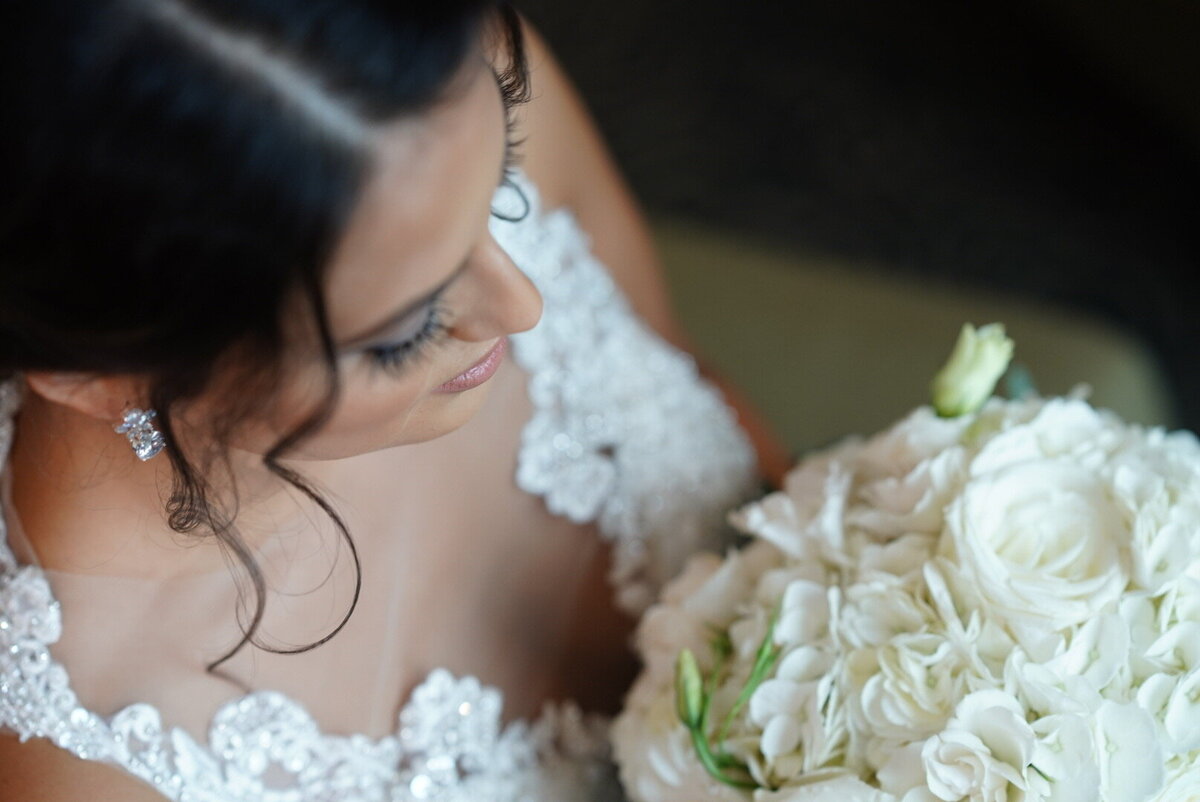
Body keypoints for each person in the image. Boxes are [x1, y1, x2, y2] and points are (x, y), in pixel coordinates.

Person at [0, 1, 791, 799]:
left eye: (500, 193)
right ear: (101, 375)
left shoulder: (438, 79)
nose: (520, 306)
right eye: (402, 332)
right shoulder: (94, 763)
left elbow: (687, 369)